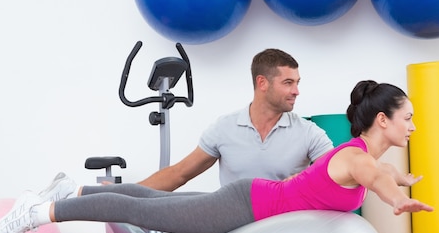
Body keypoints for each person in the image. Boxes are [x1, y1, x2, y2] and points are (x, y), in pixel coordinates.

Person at [0, 81, 434, 233]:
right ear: (383, 120)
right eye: (408, 117)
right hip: (247, 207)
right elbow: (374, 179)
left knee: (151, 200)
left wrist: (401, 178)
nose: (413, 125)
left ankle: (72, 191)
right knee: (143, 213)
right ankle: (36, 213)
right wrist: (398, 199)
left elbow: (382, 173)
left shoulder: (361, 155)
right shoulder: (358, 159)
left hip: (251, 199)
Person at [137, 48, 333, 190]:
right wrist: (122, 196)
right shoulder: (224, 129)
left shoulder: (309, 132)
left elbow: (337, 173)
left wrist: (301, 180)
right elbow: (179, 174)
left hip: (287, 232)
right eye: (288, 83)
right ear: (262, 83)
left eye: (297, 83)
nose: (296, 91)